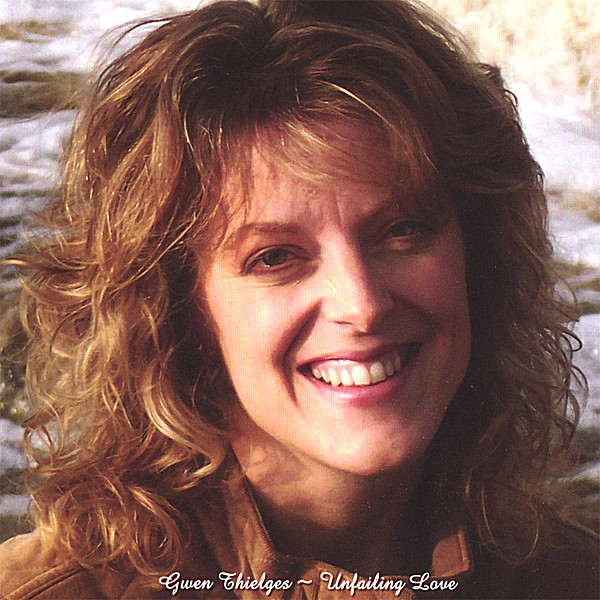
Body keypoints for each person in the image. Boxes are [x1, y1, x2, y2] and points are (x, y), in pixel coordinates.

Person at [0, 0, 597, 598]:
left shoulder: (571, 576)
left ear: (478, 252)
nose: (361, 304)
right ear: (176, 312)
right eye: (275, 257)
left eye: (401, 230)